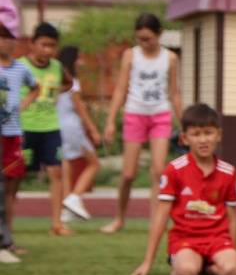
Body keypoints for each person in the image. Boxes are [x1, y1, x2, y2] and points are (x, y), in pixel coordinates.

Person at [131, 103, 236, 275]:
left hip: (217, 239)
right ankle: (185, 262)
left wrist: (233, 251)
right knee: (187, 272)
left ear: (218, 135)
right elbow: (161, 216)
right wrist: (148, 261)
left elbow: (232, 218)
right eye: (196, 134)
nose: (203, 140)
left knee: (231, 270)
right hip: (185, 239)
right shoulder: (174, 169)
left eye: (208, 133)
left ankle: (208, 268)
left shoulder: (229, 172)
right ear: (184, 138)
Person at [101, 14, 182, 233]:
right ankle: (119, 218)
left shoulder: (170, 58)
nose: (144, 43)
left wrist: (183, 125)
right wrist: (110, 120)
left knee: (158, 171)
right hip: (135, 114)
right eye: (140, 39)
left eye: (148, 38)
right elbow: (120, 89)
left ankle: (156, 222)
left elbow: (174, 93)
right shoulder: (130, 56)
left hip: (160, 116)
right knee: (128, 174)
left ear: (159, 34)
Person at [13, 23, 74, 236]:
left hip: (50, 128)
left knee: (56, 172)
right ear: (32, 43)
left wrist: (58, 90)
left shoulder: (56, 67)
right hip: (24, 128)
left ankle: (56, 223)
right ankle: (8, 226)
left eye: (52, 46)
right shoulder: (19, 66)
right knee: (16, 177)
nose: (48, 50)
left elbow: (68, 82)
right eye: (43, 45)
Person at [0, 23, 37, 262]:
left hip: (12, 133)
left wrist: (21, 107)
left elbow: (35, 89)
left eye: (11, 38)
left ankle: (7, 237)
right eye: (3, 39)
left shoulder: (21, 68)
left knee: (10, 187)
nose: (7, 43)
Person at [56, 46, 101, 223]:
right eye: (79, 58)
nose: (81, 62)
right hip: (73, 128)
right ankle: (74, 196)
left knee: (67, 166)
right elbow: (80, 109)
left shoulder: (57, 81)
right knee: (94, 163)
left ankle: (65, 210)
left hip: (59, 126)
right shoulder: (72, 82)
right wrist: (93, 129)